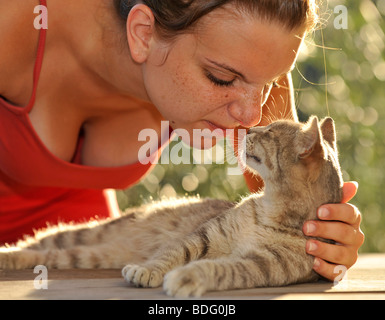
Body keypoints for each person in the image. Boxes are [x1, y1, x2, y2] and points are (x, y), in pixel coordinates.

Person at [0, 0, 364, 281]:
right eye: (220, 79)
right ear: (143, 33)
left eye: (271, 82)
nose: (253, 116)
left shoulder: (247, 57)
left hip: (82, 248)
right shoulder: (15, 24)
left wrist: (321, 239)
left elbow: (283, 203)